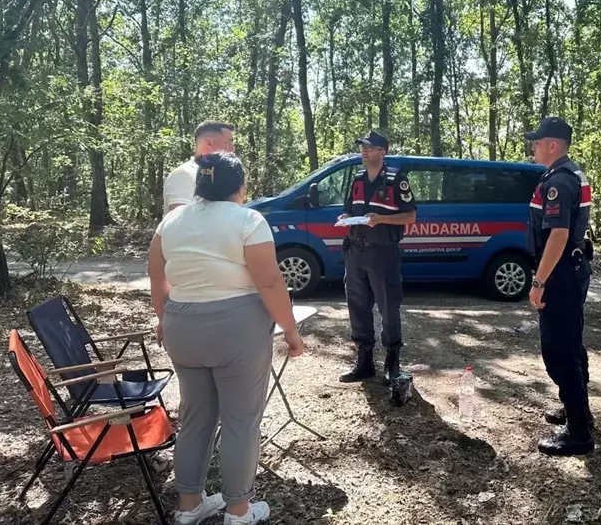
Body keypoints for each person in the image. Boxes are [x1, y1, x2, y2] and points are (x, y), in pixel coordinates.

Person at [148, 151, 304, 525]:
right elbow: (269, 281)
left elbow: (158, 278)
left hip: (182, 324)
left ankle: (189, 506)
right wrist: (291, 331)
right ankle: (238, 510)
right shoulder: (249, 220)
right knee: (240, 420)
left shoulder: (170, 223)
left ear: (199, 185)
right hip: (237, 327)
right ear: (240, 187)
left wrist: (163, 318)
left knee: (196, 417)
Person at [525, 116, 594, 457]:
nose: (533, 146)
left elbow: (559, 234)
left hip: (561, 274)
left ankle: (578, 434)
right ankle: (578, 410)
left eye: (537, 141)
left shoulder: (559, 182)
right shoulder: (568, 174)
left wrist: (539, 281)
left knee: (558, 352)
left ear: (553, 145)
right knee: (572, 344)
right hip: (572, 269)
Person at [337, 131, 416, 384]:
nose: (364, 151)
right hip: (356, 252)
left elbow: (410, 216)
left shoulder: (396, 180)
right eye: (362, 147)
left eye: (369, 148)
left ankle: (392, 364)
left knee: (388, 309)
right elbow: (349, 209)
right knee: (358, 308)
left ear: (383, 151)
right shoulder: (357, 179)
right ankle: (364, 362)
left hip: (383, 254)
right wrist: (344, 219)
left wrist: (381, 219)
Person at [163, 121, 236, 214]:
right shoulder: (183, 175)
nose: (233, 148)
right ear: (209, 143)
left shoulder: (217, 175)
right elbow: (180, 223)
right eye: (228, 142)